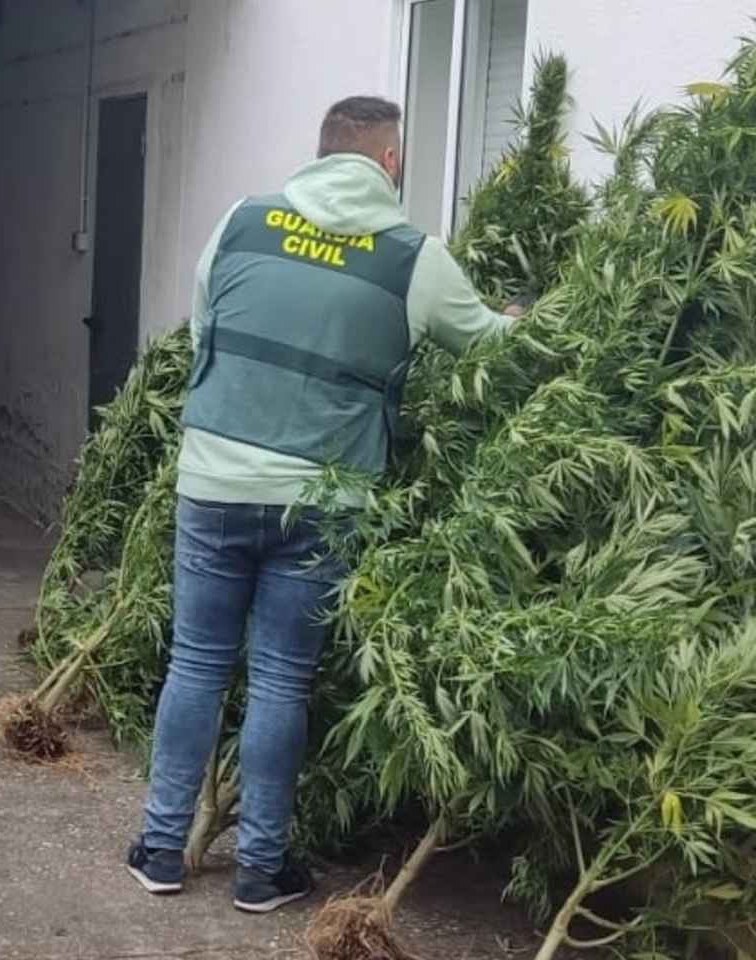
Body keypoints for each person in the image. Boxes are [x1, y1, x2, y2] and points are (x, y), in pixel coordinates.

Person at [125, 96, 521, 912]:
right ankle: (261, 872)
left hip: (215, 477)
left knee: (196, 662)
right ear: (388, 162)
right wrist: (523, 318)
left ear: (321, 151)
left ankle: (161, 851)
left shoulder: (242, 220)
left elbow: (204, 334)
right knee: (280, 678)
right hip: (324, 498)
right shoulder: (414, 257)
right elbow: (490, 346)